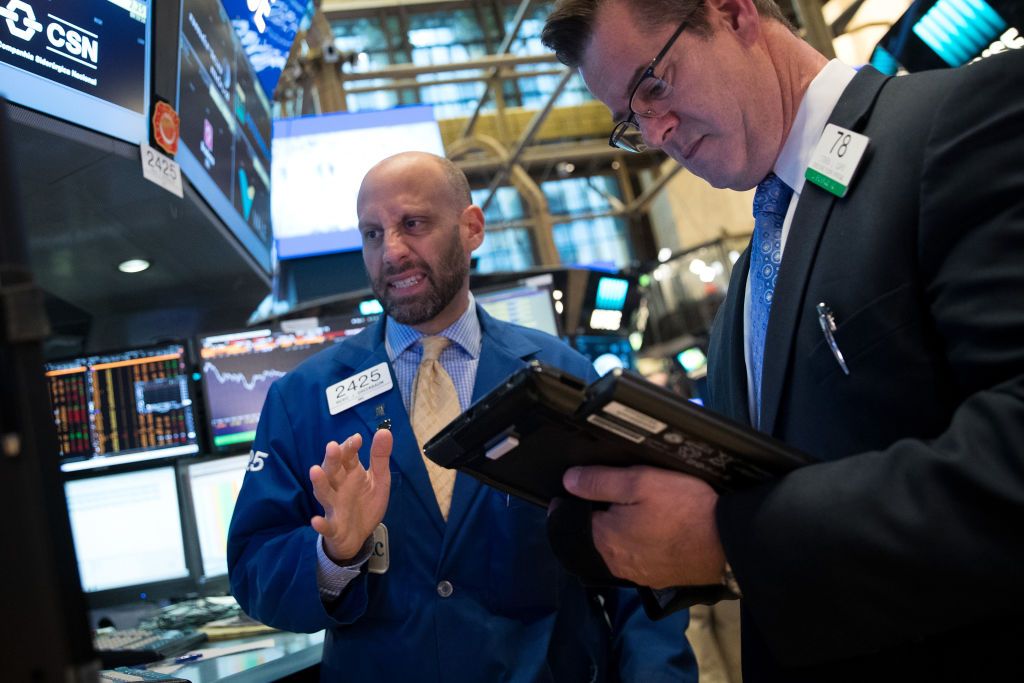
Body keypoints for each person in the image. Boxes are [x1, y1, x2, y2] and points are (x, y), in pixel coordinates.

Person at [541, 0, 1024, 680]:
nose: (657, 131)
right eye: (630, 120)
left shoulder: (957, 122)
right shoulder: (744, 290)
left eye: (654, 85)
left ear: (734, 14)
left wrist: (732, 537)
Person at [227, 151, 698, 682]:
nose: (392, 252)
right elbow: (253, 570)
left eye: (413, 224)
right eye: (373, 234)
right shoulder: (304, 397)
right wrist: (334, 554)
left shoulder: (562, 376)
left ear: (471, 228)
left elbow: (645, 561)